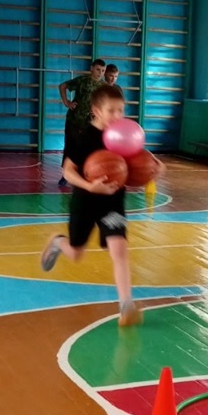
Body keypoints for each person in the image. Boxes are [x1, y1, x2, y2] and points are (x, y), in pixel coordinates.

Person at [40, 84, 164, 326]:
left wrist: (156, 169)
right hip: (85, 201)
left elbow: (144, 164)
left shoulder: (125, 137)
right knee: (75, 253)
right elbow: (68, 171)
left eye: (121, 110)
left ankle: (126, 306)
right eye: (111, 111)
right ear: (96, 111)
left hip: (112, 204)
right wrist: (89, 186)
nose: (118, 116)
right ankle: (58, 242)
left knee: (119, 250)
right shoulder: (83, 136)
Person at [56, 59, 107, 186]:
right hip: (74, 120)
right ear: (91, 69)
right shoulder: (82, 80)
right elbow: (62, 86)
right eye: (98, 69)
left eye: (103, 71)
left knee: (88, 149)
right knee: (70, 147)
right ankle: (65, 175)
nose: (100, 73)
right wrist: (67, 102)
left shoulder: (103, 87)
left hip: (90, 124)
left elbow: (104, 103)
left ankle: (85, 175)